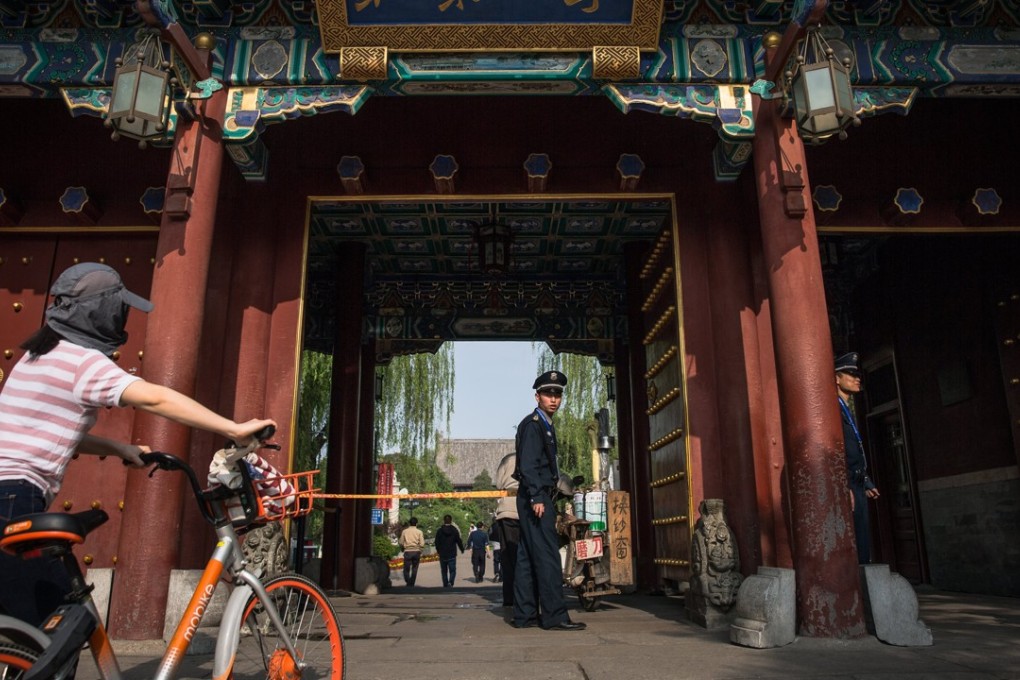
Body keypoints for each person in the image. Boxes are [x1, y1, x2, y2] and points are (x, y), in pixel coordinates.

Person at [0, 262, 276, 626]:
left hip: (9, 497)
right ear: (104, 314)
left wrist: (121, 450)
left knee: (31, 628)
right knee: (64, 624)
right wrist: (234, 428)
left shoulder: (36, 357)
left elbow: (59, 433)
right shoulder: (83, 362)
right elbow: (155, 398)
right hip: (15, 498)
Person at [512, 370, 585, 631]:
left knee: (527, 558)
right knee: (547, 557)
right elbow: (529, 463)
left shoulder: (543, 423)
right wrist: (536, 496)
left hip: (536, 494)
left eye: (557, 394)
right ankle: (555, 616)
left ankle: (525, 615)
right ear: (537, 396)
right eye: (548, 394)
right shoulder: (534, 424)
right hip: (537, 496)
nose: (553, 399)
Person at [835, 351, 881, 564]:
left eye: (857, 375)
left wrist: (866, 480)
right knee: (853, 537)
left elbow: (854, 449)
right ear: (837, 378)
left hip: (857, 481)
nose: (857, 378)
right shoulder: (833, 409)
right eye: (850, 374)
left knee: (863, 536)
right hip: (847, 483)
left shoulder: (848, 409)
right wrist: (843, 484)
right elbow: (836, 448)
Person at [493, 452, 520, 606]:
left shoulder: (506, 459)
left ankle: (509, 597)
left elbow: (498, 484)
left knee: (507, 556)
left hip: (507, 509)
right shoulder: (530, 454)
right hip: (527, 507)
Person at [434, 514, 464, 587]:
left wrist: (438, 550)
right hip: (452, 553)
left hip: (443, 553)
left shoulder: (440, 531)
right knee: (452, 570)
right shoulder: (454, 530)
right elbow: (458, 540)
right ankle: (451, 582)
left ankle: (445, 583)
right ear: (451, 521)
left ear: (444, 521)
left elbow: (436, 542)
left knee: (444, 571)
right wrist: (461, 549)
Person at [399, 516, 425, 586]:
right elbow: (422, 543)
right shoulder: (419, 532)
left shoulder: (404, 531)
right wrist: (420, 550)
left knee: (406, 569)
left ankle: (408, 580)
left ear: (409, 523)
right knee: (415, 568)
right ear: (416, 523)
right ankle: (412, 582)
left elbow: (401, 542)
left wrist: (402, 548)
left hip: (407, 551)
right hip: (416, 552)